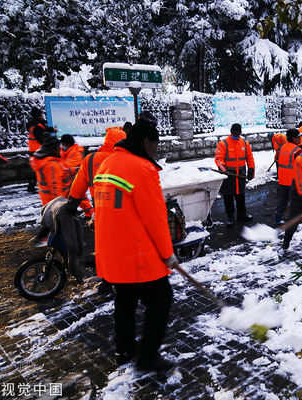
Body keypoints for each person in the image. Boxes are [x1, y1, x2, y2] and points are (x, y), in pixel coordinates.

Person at [91, 111, 175, 372]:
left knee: (125, 302)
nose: (156, 150)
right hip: (138, 254)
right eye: (156, 144)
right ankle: (148, 357)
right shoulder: (142, 168)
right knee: (161, 299)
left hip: (111, 255)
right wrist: (167, 253)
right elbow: (156, 217)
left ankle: (125, 349)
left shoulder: (107, 164)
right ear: (145, 142)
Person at [68, 126, 127, 207]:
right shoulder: (127, 160)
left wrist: (70, 207)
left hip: (99, 211)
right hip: (123, 211)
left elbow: (77, 190)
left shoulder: (90, 159)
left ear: (106, 140)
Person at [215, 123, 255, 227]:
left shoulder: (245, 144)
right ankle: (230, 217)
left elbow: (250, 158)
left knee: (240, 196)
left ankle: (242, 215)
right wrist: (223, 170)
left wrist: (251, 170)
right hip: (228, 176)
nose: (236, 135)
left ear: (240, 133)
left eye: (238, 133)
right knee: (228, 197)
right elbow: (219, 159)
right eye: (234, 133)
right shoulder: (223, 144)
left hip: (240, 175)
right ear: (231, 131)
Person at [32, 135, 73, 206]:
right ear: (53, 149)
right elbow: (55, 189)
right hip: (55, 205)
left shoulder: (44, 161)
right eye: (58, 147)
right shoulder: (51, 165)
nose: (60, 148)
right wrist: (60, 206)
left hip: (48, 203)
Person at [273, 128, 302, 226]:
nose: (300, 139)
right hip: (292, 181)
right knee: (295, 202)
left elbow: (276, 159)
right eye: (298, 137)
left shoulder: (281, 147)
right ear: (293, 138)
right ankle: (294, 221)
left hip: (282, 180)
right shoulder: (297, 150)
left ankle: (277, 219)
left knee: (283, 200)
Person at [60, 135, 93, 217]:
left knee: (81, 199)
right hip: (67, 181)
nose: (62, 146)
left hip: (74, 180)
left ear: (67, 143)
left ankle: (90, 214)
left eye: (63, 144)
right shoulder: (65, 152)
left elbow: (68, 166)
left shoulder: (76, 152)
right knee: (72, 199)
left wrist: (58, 166)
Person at [26, 107, 52, 193]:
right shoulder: (36, 126)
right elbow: (40, 137)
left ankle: (33, 185)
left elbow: (43, 129)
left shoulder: (35, 124)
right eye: (41, 115)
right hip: (38, 150)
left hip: (35, 150)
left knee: (37, 168)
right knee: (38, 168)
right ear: (38, 116)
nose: (42, 116)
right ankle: (32, 186)